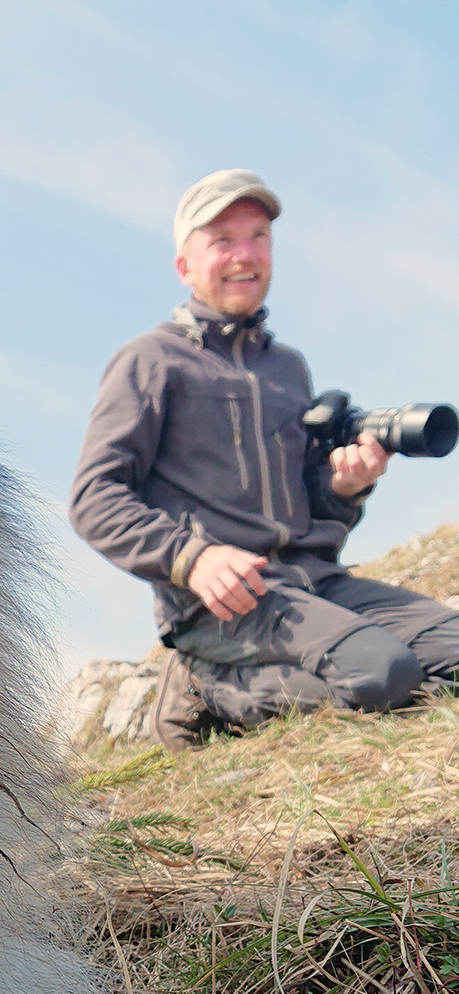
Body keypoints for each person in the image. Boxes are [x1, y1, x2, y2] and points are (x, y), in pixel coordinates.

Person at [69, 168, 459, 748]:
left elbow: (311, 507)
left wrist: (344, 489)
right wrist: (192, 559)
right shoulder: (149, 361)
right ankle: (205, 690)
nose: (244, 255)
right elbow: (92, 498)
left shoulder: (290, 369)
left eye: (258, 236)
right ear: (185, 266)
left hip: (317, 583)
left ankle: (353, 674)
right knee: (383, 673)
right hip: (222, 603)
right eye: (222, 240)